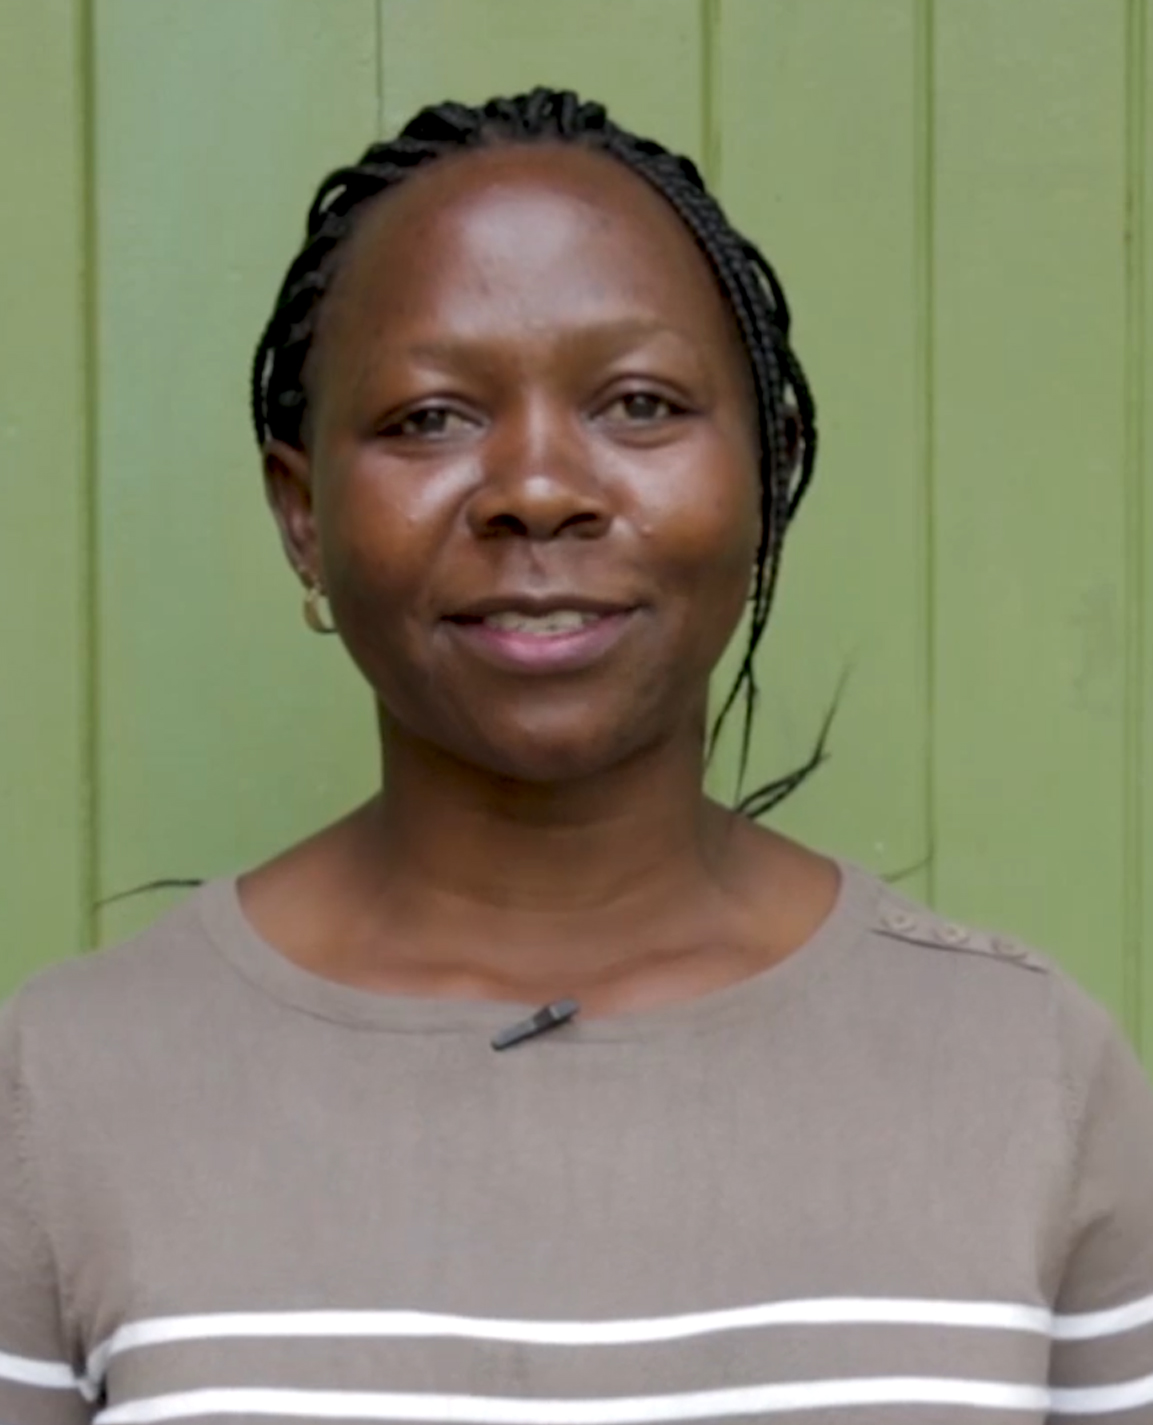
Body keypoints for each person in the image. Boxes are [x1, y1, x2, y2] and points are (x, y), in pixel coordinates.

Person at [1, 89, 1151, 1425]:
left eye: (639, 403)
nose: (536, 486)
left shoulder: (1025, 1075)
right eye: (429, 417)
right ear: (303, 516)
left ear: (766, 479)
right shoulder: (66, 1089)